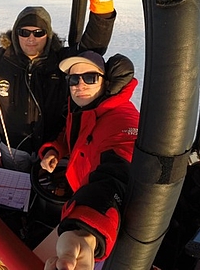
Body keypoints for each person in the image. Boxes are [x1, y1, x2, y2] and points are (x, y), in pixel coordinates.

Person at [0, 0, 116, 172]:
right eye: (24, 32)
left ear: (47, 35)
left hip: (52, 149)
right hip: (13, 148)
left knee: (46, 192)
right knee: (15, 191)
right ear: (15, 33)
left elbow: (93, 49)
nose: (31, 38)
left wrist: (103, 8)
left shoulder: (61, 60)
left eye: (38, 33)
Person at [34, 50, 140, 269]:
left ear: (106, 82)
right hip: (79, 189)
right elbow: (71, 133)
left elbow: (119, 170)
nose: (79, 85)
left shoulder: (121, 118)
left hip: (109, 220)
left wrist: (87, 231)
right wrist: (56, 150)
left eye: (90, 77)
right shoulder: (84, 107)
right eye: (73, 79)